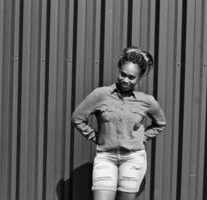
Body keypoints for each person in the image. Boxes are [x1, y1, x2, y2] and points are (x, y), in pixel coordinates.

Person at [71, 47, 166, 200]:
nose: (125, 80)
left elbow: (160, 123)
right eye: (123, 74)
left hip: (133, 157)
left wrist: (142, 137)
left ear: (139, 78)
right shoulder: (100, 94)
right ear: (118, 70)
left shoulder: (147, 101)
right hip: (106, 156)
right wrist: (96, 137)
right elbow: (77, 118)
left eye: (131, 77)